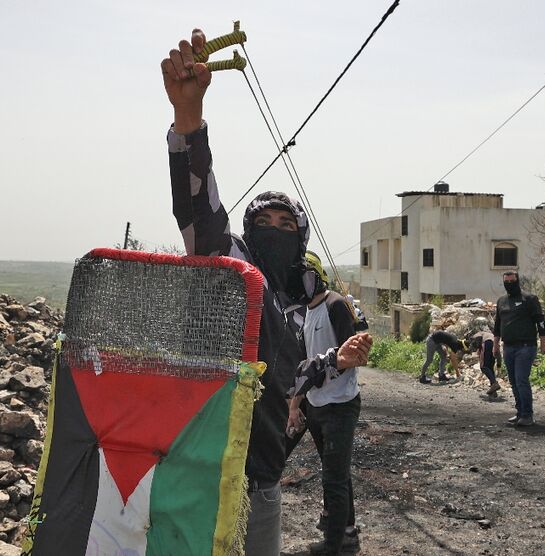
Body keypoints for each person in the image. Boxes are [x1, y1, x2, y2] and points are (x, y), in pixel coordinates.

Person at [162, 31, 371, 555]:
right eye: (265, 221)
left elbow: (287, 380)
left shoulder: (291, 306)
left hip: (262, 479)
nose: (275, 229)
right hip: (204, 468)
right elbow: (199, 211)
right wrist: (190, 117)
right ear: (249, 233)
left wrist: (336, 361)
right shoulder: (233, 270)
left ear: (300, 239)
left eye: (286, 223)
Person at [288, 251, 365, 555]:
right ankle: (346, 528)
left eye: (306, 276)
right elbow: (301, 366)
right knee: (337, 471)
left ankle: (334, 545)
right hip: (317, 404)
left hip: (340, 405)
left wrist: (324, 370)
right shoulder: (305, 312)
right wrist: (296, 405)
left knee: (333, 477)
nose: (301, 283)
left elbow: (353, 355)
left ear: (317, 276)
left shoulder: (336, 305)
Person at [492, 271, 545, 426]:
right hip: (508, 347)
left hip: (526, 346)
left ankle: (527, 414)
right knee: (513, 381)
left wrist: (543, 341)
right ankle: (519, 412)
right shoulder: (501, 301)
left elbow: (540, 320)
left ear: (517, 281)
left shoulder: (529, 299)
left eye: (512, 281)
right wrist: (495, 344)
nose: (509, 284)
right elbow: (498, 325)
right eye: (506, 282)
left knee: (521, 379)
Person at [469, 329, 502, 397]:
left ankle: (494, 384)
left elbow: (477, 341)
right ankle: (493, 391)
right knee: (490, 367)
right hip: (495, 345)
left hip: (487, 343)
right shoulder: (491, 336)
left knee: (483, 366)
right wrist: (499, 365)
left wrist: (479, 349)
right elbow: (499, 355)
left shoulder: (478, 334)